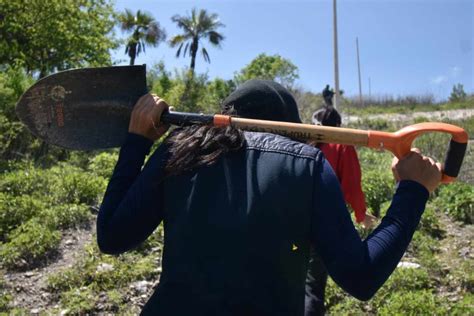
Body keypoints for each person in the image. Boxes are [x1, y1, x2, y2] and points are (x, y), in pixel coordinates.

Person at [97, 79, 441, 316]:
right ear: (293, 126)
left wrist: (137, 142)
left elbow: (112, 236)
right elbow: (361, 277)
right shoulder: (307, 164)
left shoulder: (179, 148)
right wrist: (412, 191)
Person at [306, 105, 377, 315]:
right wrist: (361, 214)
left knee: (292, 278)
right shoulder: (341, 145)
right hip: (320, 225)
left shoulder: (305, 142)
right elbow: (351, 185)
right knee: (313, 284)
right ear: (338, 125)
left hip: (291, 219)